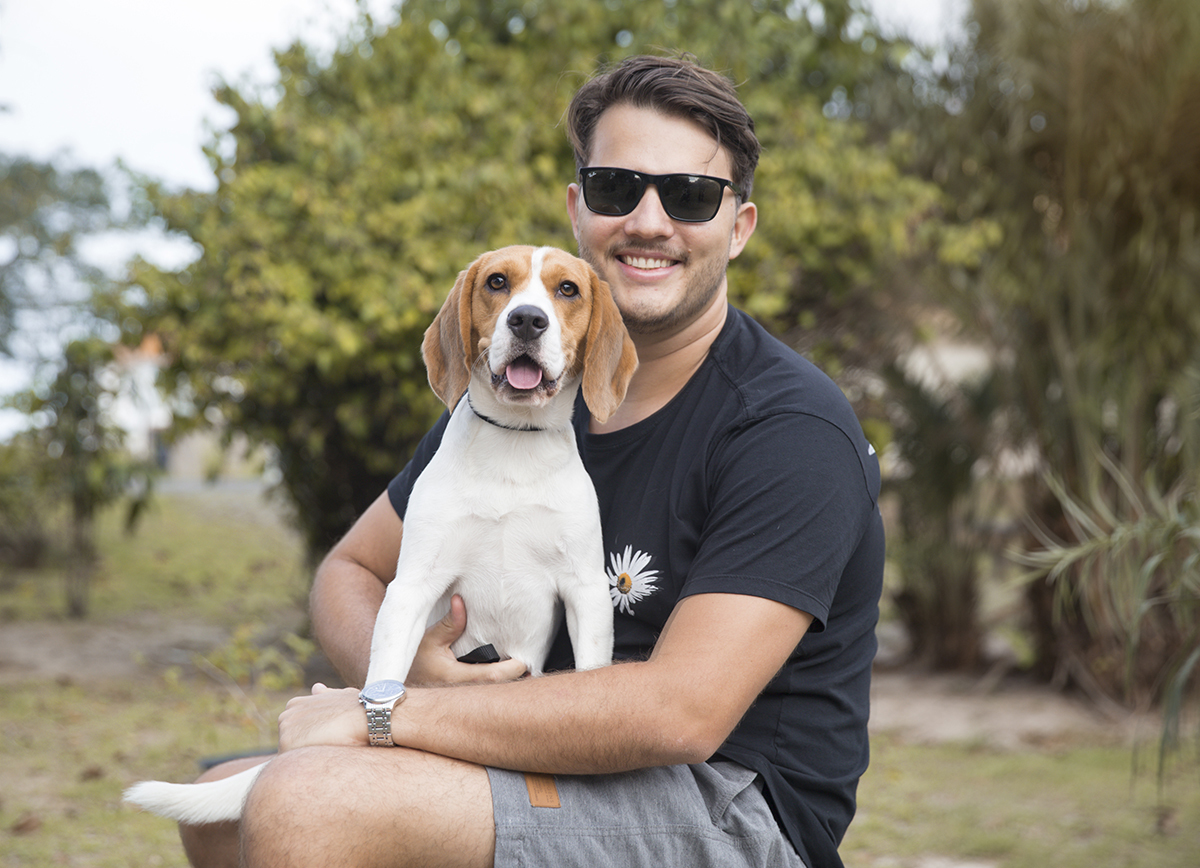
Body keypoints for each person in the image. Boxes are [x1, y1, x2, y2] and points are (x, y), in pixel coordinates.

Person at [181, 53, 884, 868]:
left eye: (690, 196)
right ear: (578, 207)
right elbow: (351, 569)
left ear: (739, 226)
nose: (650, 222)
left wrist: (385, 714)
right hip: (534, 752)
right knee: (221, 802)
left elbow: (679, 714)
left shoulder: (790, 428)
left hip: (725, 801)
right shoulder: (513, 395)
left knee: (306, 804)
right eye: (619, 188)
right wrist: (422, 671)